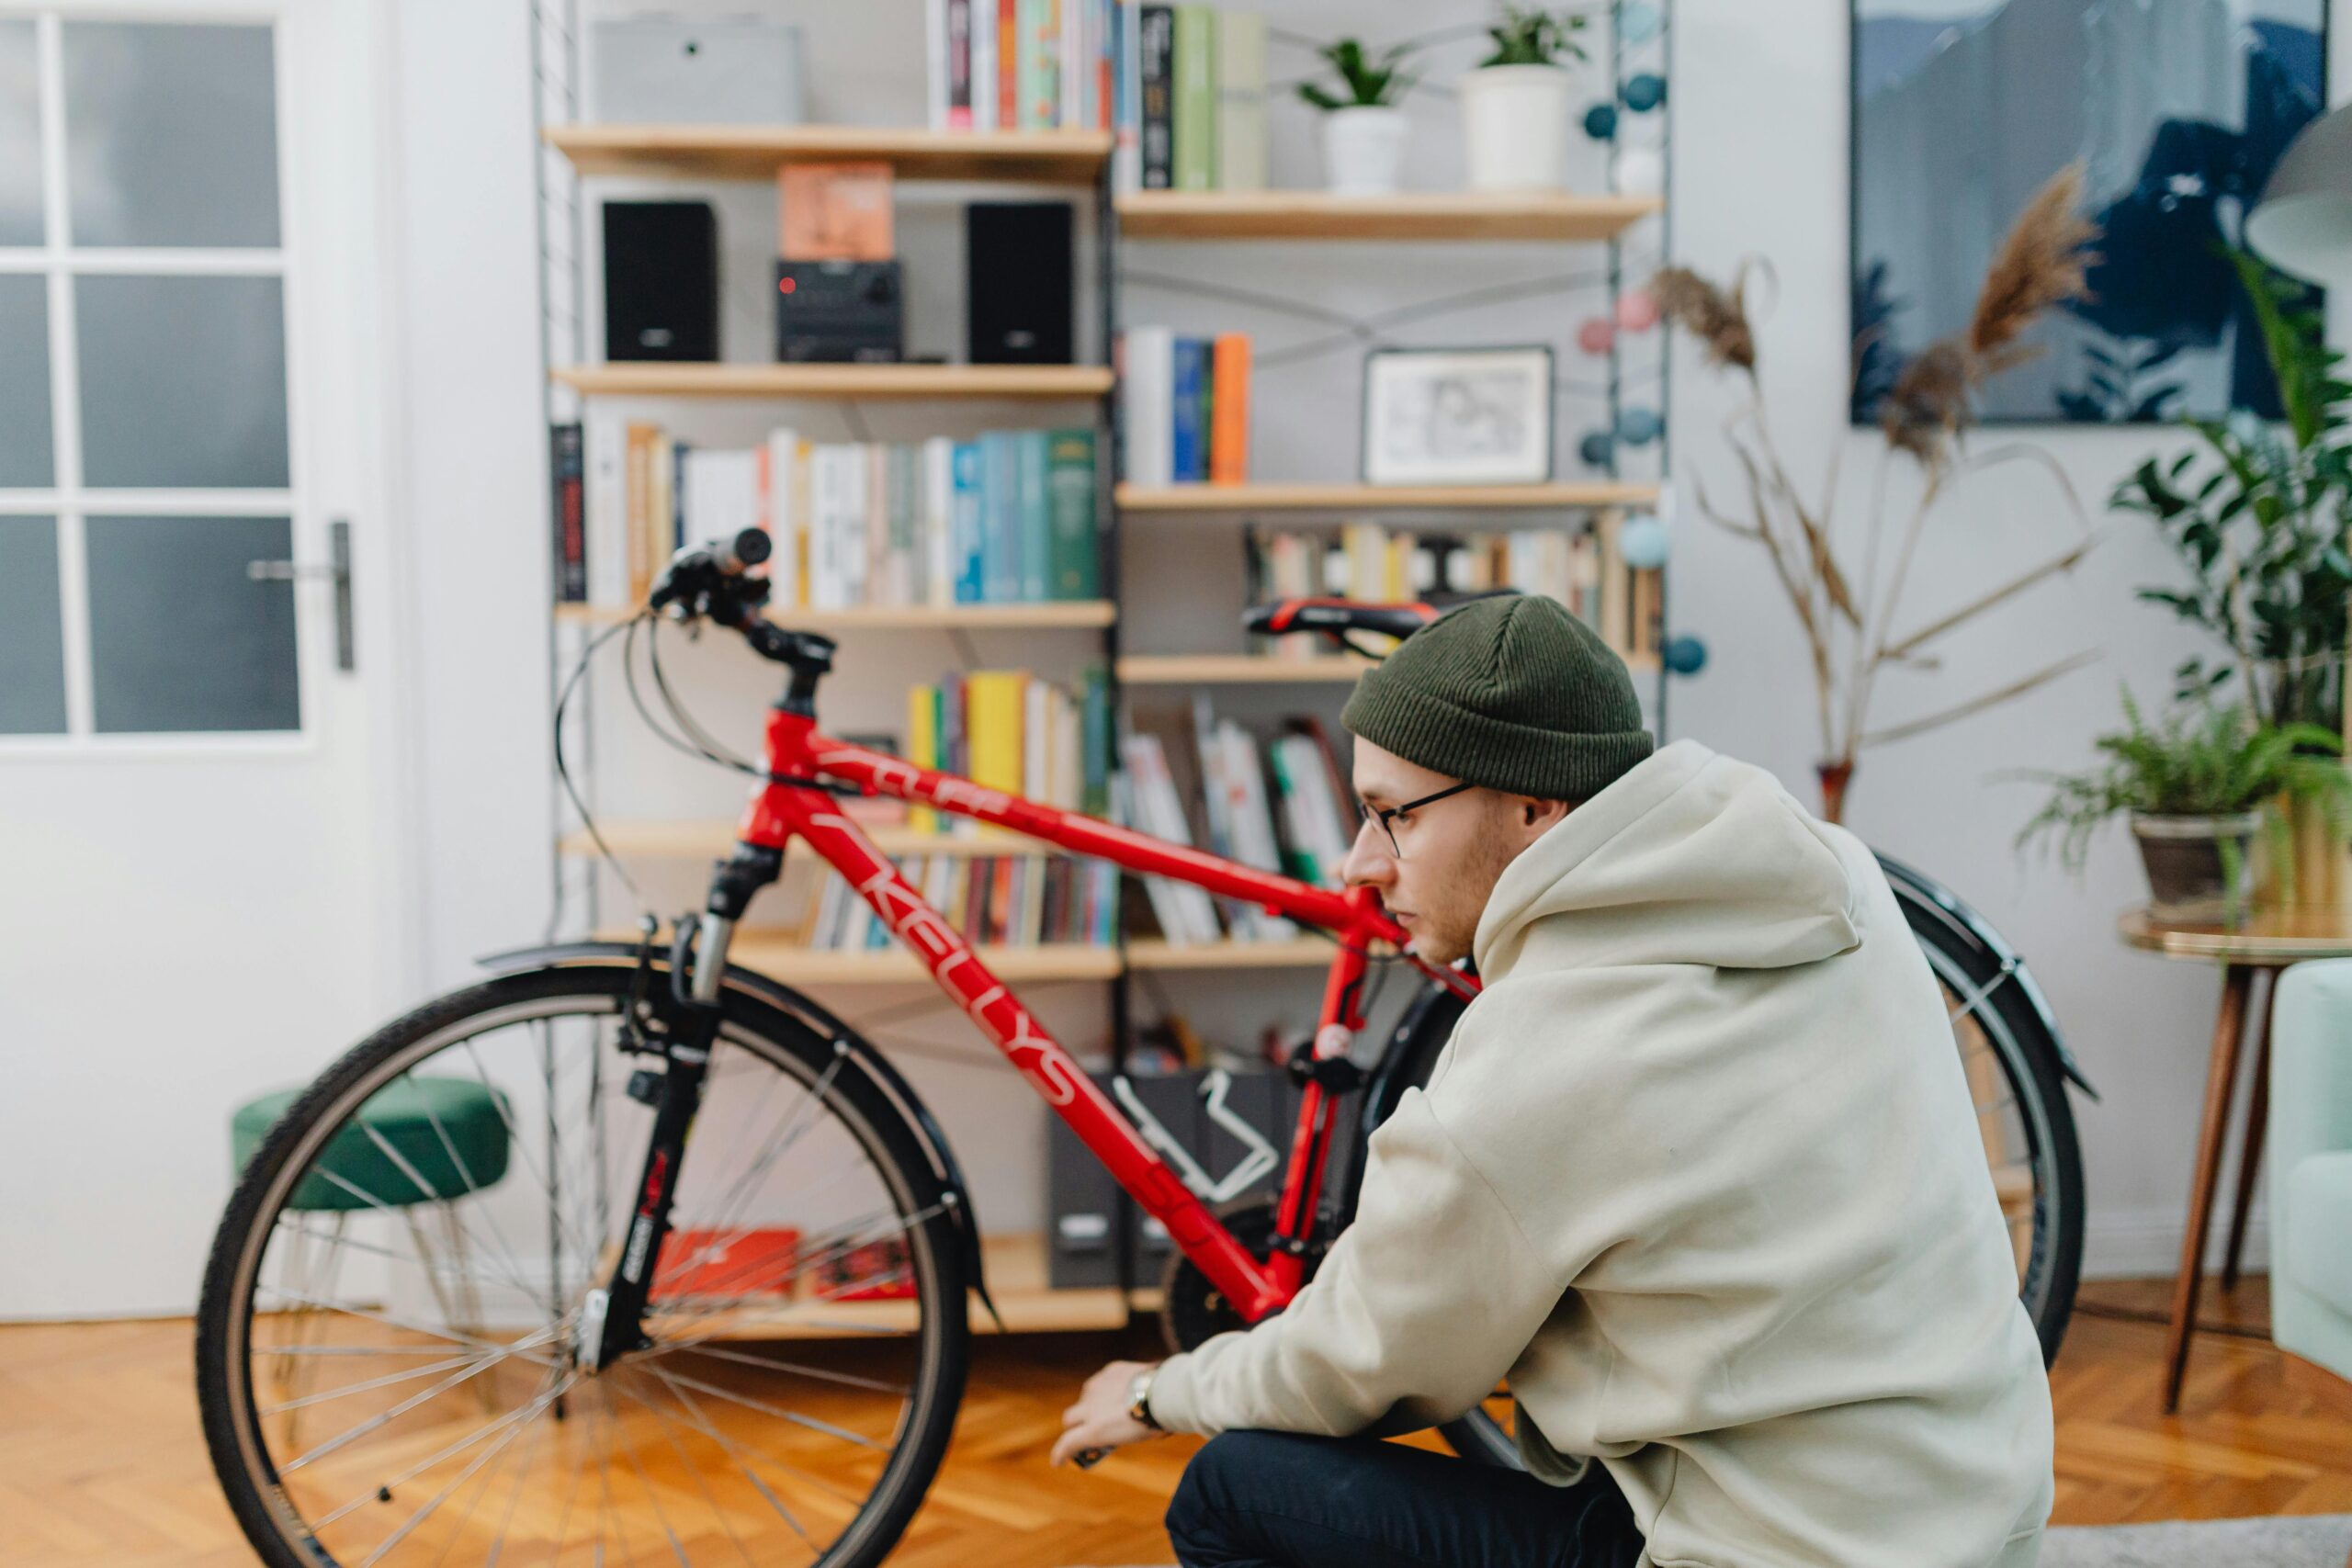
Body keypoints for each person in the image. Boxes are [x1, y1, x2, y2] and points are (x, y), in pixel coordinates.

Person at [1048, 593, 2055, 1568]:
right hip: (1982, 1519)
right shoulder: (1839, 879)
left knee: (1230, 1490)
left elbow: (1360, 1359)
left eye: (1392, 816)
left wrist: (1158, 1392)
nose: (1358, 864)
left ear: (1534, 805)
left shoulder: (1537, 1061)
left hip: (1770, 1552)